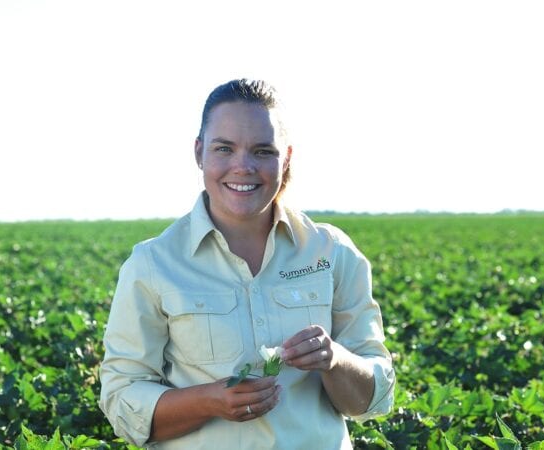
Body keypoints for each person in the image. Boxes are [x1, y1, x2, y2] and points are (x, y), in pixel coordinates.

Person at [99, 79, 395, 449]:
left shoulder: (331, 252)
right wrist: (210, 401)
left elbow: (373, 398)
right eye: (224, 148)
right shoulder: (153, 264)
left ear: (285, 158)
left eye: (262, 151)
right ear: (199, 153)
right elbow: (122, 400)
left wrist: (334, 359)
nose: (243, 166)